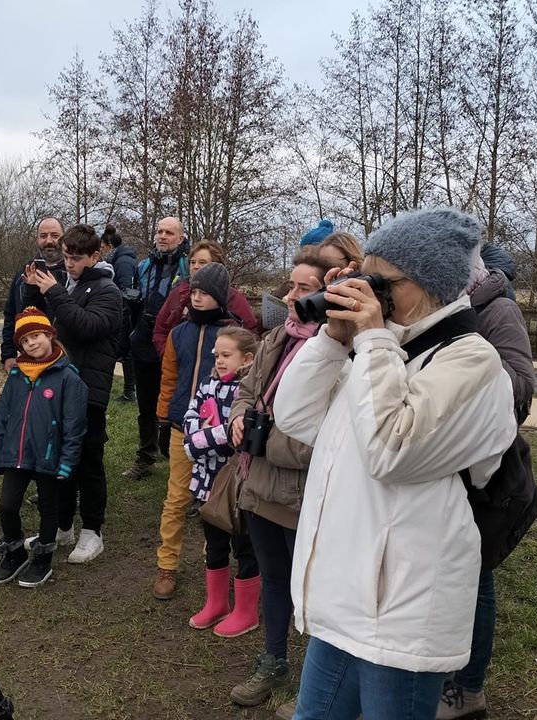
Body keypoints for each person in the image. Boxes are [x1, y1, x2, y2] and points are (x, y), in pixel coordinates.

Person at [273, 207, 517, 720]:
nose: (369, 292)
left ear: (429, 285)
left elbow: (391, 453)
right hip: (344, 597)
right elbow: (293, 415)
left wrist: (371, 338)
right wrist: (334, 340)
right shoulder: (381, 353)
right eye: (366, 276)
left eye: (381, 281)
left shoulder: (472, 362)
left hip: (402, 610)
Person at [226, 246, 335, 710]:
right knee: (273, 578)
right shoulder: (276, 339)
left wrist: (263, 440)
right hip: (260, 486)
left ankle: (317, 680)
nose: (289, 296)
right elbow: (247, 390)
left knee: (310, 591)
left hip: (301, 494)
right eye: (290, 285)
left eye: (302, 288)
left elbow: (329, 433)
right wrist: (238, 417)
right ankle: (273, 661)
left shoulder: (337, 353)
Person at [436, 240, 535, 720]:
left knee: (476, 579)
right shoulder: (441, 307)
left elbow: (521, 384)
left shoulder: (497, 310)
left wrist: (468, 378)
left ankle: (467, 689)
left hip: (483, 469)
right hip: (440, 461)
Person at [22, 223, 122, 564]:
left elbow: (85, 327)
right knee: (59, 458)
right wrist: (35, 291)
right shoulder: (64, 284)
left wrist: (55, 294)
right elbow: (45, 325)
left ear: (95, 256)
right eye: (66, 257)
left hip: (89, 388)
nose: (68, 264)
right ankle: (63, 526)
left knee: (88, 460)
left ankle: (93, 532)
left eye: (76, 259)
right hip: (59, 385)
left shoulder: (108, 290)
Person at [152, 262, 240, 600]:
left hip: (219, 435)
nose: (198, 299)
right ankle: (167, 564)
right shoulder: (179, 333)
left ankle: (213, 562)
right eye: (195, 293)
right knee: (176, 498)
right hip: (181, 428)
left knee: (214, 500)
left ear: (219, 296)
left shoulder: (232, 334)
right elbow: (169, 379)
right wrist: (163, 419)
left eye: (205, 293)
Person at [0, 308, 88, 589]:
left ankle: (43, 557)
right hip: (16, 454)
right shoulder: (17, 376)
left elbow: (74, 425)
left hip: (49, 456)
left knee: (48, 507)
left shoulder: (69, 378)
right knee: (7, 505)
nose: (32, 344)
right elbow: (2, 417)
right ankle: (15, 550)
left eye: (36, 336)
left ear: (49, 335)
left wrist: (68, 461)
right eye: (25, 341)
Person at [183, 326, 260, 637]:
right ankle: (216, 603)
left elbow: (234, 435)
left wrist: (200, 439)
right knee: (214, 545)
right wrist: (205, 434)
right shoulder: (208, 384)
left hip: (238, 486)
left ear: (247, 358)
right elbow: (189, 421)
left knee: (244, 546)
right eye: (216, 355)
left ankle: (246, 610)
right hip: (206, 485)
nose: (219, 361)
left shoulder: (249, 391)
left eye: (226, 355)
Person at [123, 216, 189, 480]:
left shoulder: (188, 266)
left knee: (175, 401)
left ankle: (176, 456)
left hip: (174, 343)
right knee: (146, 403)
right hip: (143, 340)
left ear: (181, 238)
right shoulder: (145, 265)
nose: (162, 236)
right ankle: (145, 456)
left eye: (169, 233)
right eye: (160, 232)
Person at [151, 239, 260, 357]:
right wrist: (171, 357)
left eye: (202, 262)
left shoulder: (233, 298)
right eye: (192, 262)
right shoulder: (178, 294)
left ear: (217, 265)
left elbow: (251, 338)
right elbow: (160, 330)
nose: (196, 266)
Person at [1, 217, 66, 372]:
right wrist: (8, 354)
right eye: (43, 236)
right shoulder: (22, 274)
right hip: (28, 360)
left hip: (63, 359)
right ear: (37, 239)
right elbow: (11, 315)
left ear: (63, 238)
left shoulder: (71, 274)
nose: (49, 241)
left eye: (55, 235)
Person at [103, 224, 139, 402]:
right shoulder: (118, 259)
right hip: (122, 310)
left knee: (126, 352)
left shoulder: (123, 261)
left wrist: (122, 313)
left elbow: (126, 290)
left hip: (125, 312)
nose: (101, 251)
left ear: (109, 245)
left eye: (102, 247)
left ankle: (129, 391)